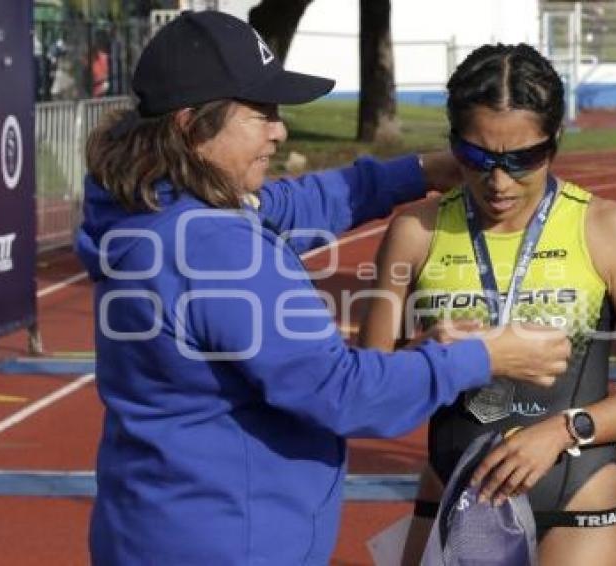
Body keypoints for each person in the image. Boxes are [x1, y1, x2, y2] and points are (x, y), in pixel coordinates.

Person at [75, 12, 571, 565]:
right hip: (226, 544)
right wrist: (480, 356)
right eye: (260, 114)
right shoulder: (213, 247)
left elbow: (290, 206)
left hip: (153, 527)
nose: (279, 129)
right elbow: (342, 393)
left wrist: (419, 172)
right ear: (193, 126)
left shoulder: (150, 203)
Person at [359, 43, 616, 565]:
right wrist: (427, 351)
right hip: (453, 491)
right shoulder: (415, 231)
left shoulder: (608, 229)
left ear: (554, 141)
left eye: (522, 159)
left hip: (576, 498)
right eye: (477, 158)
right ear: (452, 145)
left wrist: (563, 430)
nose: (499, 181)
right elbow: (367, 387)